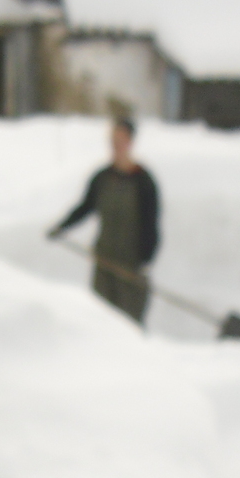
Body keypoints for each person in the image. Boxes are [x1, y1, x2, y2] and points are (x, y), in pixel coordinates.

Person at [47, 117, 160, 325]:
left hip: (130, 267)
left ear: (130, 142)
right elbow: (85, 207)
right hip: (104, 261)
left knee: (128, 323)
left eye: (121, 139)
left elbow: (151, 224)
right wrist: (61, 228)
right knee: (101, 321)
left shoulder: (143, 181)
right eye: (113, 139)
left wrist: (145, 261)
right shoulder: (102, 178)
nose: (116, 145)